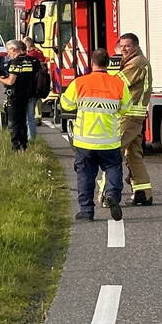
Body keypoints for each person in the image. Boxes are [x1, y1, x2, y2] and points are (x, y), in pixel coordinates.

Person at [59, 48, 131, 222]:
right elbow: (126, 108)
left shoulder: (80, 82)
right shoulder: (118, 84)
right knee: (113, 169)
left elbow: (66, 104)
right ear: (108, 64)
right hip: (109, 140)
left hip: (85, 141)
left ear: (92, 63)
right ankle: (112, 194)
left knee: (85, 175)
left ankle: (86, 211)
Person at [115, 33, 154, 205]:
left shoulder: (136, 63)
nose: (124, 49)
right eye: (122, 46)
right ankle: (143, 193)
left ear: (136, 46)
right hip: (133, 116)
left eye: (127, 46)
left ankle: (108, 194)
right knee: (133, 155)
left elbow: (117, 84)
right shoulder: (134, 61)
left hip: (129, 116)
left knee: (112, 152)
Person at [0, 40, 37, 151]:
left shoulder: (15, 62)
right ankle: (23, 145)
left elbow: (11, 81)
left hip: (15, 96)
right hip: (27, 95)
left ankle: (15, 147)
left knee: (14, 123)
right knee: (23, 122)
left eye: (8, 50)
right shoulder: (30, 61)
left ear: (14, 49)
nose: (8, 53)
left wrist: (0, 79)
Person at [23, 36, 45, 140]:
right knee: (37, 100)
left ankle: (38, 118)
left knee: (31, 111)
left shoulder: (33, 53)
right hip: (37, 81)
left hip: (34, 81)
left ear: (28, 43)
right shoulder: (37, 51)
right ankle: (38, 117)